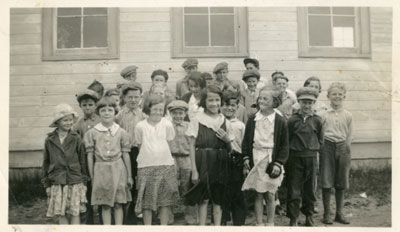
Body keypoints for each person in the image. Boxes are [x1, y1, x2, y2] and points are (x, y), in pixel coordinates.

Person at [184, 85, 234, 226]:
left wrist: (227, 141)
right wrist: (194, 170)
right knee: (203, 198)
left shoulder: (225, 121)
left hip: (220, 161)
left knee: (218, 198)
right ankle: (202, 227)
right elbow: (192, 146)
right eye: (210, 100)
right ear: (204, 101)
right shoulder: (197, 120)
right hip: (203, 161)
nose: (214, 104)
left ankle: (217, 226)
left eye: (217, 100)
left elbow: (230, 149)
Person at [241, 86, 289, 226]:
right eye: (260, 98)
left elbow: (284, 145)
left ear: (274, 102)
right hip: (256, 157)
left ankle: (270, 223)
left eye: (265, 98)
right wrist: (246, 158)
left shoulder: (280, 121)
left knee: (270, 193)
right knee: (258, 192)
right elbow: (247, 141)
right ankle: (259, 223)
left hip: (271, 159)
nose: (261, 101)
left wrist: (278, 163)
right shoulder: (253, 119)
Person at [84, 98, 133, 225]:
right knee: (105, 205)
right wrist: (92, 176)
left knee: (118, 204)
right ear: (98, 113)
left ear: (115, 112)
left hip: (118, 170)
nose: (106, 113)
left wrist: (129, 176)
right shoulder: (92, 133)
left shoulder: (121, 132)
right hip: (101, 171)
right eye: (103, 110)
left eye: (110, 110)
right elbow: (90, 156)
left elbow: (126, 155)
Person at [134, 95, 180, 225]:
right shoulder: (140, 126)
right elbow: (139, 146)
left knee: (165, 200)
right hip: (146, 166)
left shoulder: (167, 124)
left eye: (161, 109)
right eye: (155, 109)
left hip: (165, 165)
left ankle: (163, 226)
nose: (158, 112)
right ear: (148, 109)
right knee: (147, 201)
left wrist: (171, 163)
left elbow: (170, 145)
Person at [42, 104, 88, 224]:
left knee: (74, 210)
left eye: (71, 120)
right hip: (57, 180)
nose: (69, 123)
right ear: (57, 122)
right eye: (65, 120)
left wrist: (84, 180)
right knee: (60, 212)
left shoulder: (76, 138)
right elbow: (46, 162)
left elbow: (82, 160)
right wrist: (46, 183)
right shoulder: (50, 139)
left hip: (74, 180)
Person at [286, 87, 324, 227]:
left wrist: (315, 153)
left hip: (311, 158)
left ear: (313, 104)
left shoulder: (317, 120)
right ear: (299, 103)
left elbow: (320, 139)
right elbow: (287, 139)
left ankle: (309, 215)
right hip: (295, 158)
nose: (307, 106)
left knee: (310, 189)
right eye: (304, 102)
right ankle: (293, 217)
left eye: (310, 103)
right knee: (294, 188)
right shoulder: (292, 120)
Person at [319, 82, 353, 225]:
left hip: (343, 147)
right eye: (334, 94)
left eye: (340, 94)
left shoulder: (348, 115)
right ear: (328, 96)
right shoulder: (323, 114)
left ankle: (339, 213)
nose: (337, 97)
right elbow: (320, 133)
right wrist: (322, 147)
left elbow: (349, 134)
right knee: (326, 181)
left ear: (344, 96)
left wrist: (346, 146)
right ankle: (327, 213)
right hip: (327, 146)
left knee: (341, 181)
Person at [115, 82, 146, 225]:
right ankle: (128, 217)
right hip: (124, 153)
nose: (133, 100)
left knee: (141, 181)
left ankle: (139, 211)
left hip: (140, 151)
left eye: (136, 97)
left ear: (140, 97)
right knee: (128, 182)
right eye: (130, 97)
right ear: (124, 98)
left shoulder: (143, 115)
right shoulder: (119, 116)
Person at [167, 100, 198, 225]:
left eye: (181, 113)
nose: (178, 116)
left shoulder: (189, 126)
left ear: (185, 114)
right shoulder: (167, 125)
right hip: (171, 157)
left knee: (188, 185)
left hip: (186, 158)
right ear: (170, 113)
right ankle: (168, 214)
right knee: (170, 185)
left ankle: (190, 215)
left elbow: (193, 144)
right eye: (175, 113)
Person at [72, 89, 100, 224]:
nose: (87, 107)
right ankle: (89, 221)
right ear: (80, 107)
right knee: (87, 188)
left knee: (101, 186)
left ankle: (103, 218)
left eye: (90, 104)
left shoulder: (101, 120)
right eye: (84, 105)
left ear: (95, 105)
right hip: (85, 161)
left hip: (100, 160)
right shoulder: (78, 124)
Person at [220, 90, 247, 226]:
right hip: (220, 160)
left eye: (233, 105)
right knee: (222, 191)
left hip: (236, 161)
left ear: (237, 107)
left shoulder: (240, 125)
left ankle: (238, 222)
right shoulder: (217, 122)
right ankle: (222, 220)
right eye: (226, 105)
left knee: (237, 192)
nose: (229, 108)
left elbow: (244, 145)